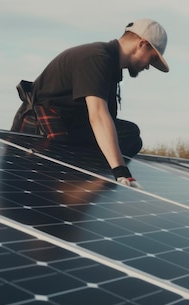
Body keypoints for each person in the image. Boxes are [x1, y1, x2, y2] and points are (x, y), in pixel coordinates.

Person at [11, 18, 169, 188]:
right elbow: (98, 115)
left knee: (130, 135)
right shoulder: (96, 58)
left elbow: (107, 120)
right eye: (151, 59)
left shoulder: (111, 68)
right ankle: (72, 180)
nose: (148, 67)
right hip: (42, 128)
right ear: (142, 44)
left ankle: (85, 179)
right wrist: (120, 171)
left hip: (69, 126)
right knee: (118, 138)